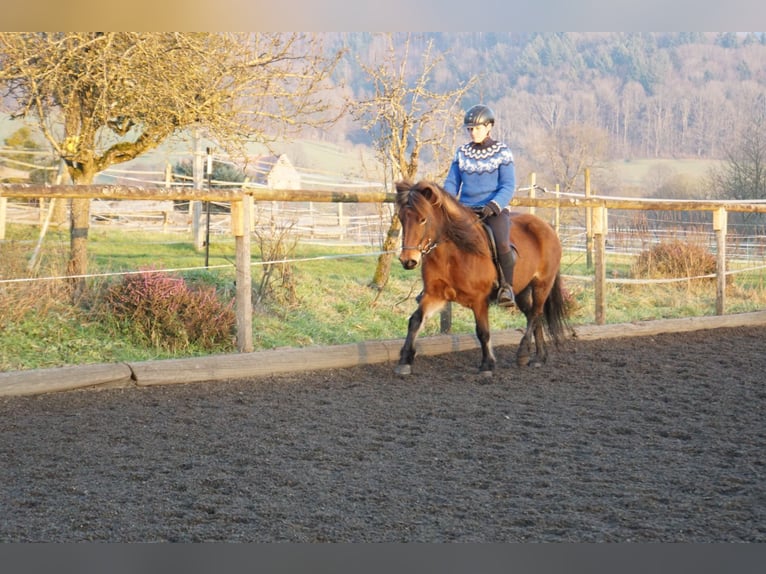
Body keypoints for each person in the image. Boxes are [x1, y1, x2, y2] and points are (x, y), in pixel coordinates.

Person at [444, 104, 516, 307]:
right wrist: (448, 202)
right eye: (469, 129)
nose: (472, 132)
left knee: (502, 242)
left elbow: (508, 185)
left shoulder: (502, 152)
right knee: (441, 238)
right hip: (465, 209)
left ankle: (506, 287)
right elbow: (451, 182)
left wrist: (494, 205)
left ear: (488, 127)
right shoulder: (462, 153)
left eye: (476, 128)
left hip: (492, 209)